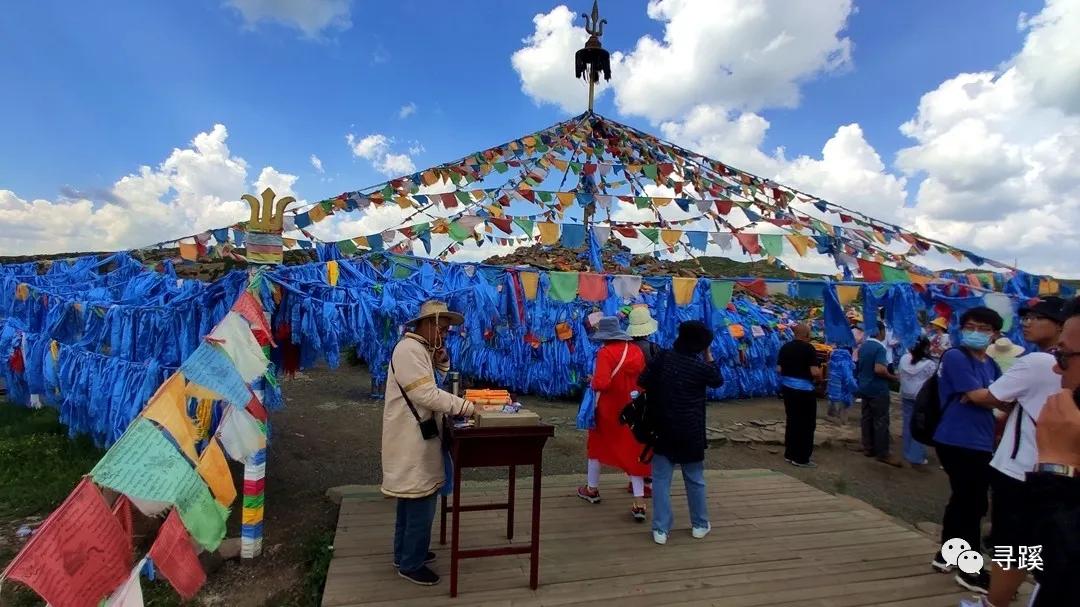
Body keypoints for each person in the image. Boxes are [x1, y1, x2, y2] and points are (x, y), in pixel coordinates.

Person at [960, 297, 1066, 604]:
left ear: (1062, 325)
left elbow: (989, 395)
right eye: (1025, 317)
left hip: (1018, 469)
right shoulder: (1063, 365)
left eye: (1037, 317)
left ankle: (994, 602)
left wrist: (965, 391)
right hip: (1050, 468)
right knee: (1030, 543)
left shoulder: (1038, 362)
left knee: (1011, 544)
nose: (1026, 322)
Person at [382, 300, 476, 586]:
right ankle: (411, 563)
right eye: (443, 329)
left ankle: (406, 553)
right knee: (420, 499)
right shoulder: (410, 350)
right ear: (428, 324)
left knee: (411, 499)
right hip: (411, 436)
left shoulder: (418, 349)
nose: (445, 334)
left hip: (413, 434)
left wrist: (441, 357)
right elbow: (426, 394)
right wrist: (466, 407)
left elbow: (441, 378)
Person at [929, 306, 1004, 595]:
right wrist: (989, 397)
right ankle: (970, 569)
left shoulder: (990, 364)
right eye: (971, 326)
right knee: (973, 503)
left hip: (981, 439)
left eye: (984, 329)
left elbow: (992, 395)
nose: (976, 332)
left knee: (962, 498)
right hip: (957, 438)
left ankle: (947, 554)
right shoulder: (956, 356)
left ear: (995, 334)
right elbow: (979, 395)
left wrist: (989, 398)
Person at [640, 320, 723, 546]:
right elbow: (717, 380)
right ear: (700, 345)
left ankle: (660, 528)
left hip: (662, 427)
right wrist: (708, 354)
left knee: (660, 480)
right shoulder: (700, 367)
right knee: (695, 479)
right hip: (690, 430)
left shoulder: (663, 357)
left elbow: (643, 380)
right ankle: (699, 524)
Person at [577, 317, 651, 522]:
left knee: (596, 446)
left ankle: (592, 489)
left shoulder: (605, 353)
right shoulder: (635, 351)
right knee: (632, 449)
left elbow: (602, 383)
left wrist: (592, 381)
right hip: (632, 409)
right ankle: (639, 501)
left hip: (609, 409)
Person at [855, 320, 901, 467]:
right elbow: (879, 369)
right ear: (880, 332)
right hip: (878, 388)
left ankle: (868, 447)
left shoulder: (864, 347)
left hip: (865, 387)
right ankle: (883, 453)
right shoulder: (880, 348)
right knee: (881, 421)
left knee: (866, 417)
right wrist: (894, 378)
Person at [776, 323, 822, 468]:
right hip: (804, 391)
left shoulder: (785, 347)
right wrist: (820, 379)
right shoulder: (809, 349)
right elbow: (815, 372)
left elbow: (779, 369)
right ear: (807, 335)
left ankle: (789, 454)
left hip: (787, 389)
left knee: (792, 421)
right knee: (807, 424)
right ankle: (801, 458)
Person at [898, 337, 936, 466]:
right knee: (920, 426)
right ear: (925, 347)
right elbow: (932, 382)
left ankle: (907, 451)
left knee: (907, 423)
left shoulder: (904, 359)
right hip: (921, 398)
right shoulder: (929, 364)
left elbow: (900, 375)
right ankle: (916, 456)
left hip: (905, 394)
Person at [825, 346, 857, 425]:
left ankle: (831, 419)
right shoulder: (845, 361)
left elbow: (827, 375)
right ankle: (842, 422)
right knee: (842, 418)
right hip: (843, 395)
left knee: (831, 416)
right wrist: (855, 388)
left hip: (832, 392)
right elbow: (848, 379)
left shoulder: (832, 359)